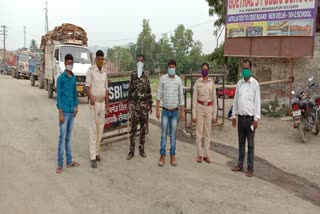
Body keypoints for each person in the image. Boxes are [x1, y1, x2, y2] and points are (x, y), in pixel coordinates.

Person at [231, 59, 261, 177]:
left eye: (247, 68)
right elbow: (235, 100)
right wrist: (233, 115)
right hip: (241, 119)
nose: (245, 70)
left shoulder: (255, 84)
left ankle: (250, 168)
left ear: (251, 69)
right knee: (241, 143)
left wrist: (256, 119)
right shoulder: (239, 84)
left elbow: (257, 101)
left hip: (250, 120)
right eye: (243, 68)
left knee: (251, 144)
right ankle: (239, 164)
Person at [156, 59, 185, 167]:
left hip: (174, 112)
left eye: (173, 67)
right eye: (170, 67)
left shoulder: (178, 80)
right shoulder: (163, 79)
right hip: (165, 111)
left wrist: (182, 111)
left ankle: (172, 155)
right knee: (163, 135)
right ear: (167, 68)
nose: (171, 69)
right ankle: (162, 156)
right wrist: (157, 109)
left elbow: (181, 96)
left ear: (175, 68)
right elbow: (158, 94)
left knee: (173, 135)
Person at [56, 54, 80, 173]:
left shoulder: (73, 78)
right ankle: (60, 164)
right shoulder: (61, 79)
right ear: (65, 63)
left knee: (68, 138)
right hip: (64, 112)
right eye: (68, 62)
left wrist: (76, 107)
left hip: (71, 112)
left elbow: (75, 93)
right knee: (62, 138)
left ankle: (69, 161)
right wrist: (60, 113)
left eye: (72, 62)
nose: (70, 64)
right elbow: (59, 97)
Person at [86, 50, 109, 168]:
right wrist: (90, 97)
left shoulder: (105, 73)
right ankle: (92, 157)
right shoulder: (91, 71)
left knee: (100, 129)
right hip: (94, 104)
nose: (101, 61)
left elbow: (106, 90)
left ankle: (96, 152)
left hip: (102, 103)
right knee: (93, 129)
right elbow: (87, 87)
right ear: (96, 59)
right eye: (99, 59)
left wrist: (108, 104)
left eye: (102, 59)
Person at [127, 54, 153, 160]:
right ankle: (131, 151)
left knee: (143, 129)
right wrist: (128, 103)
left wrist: (150, 104)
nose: (139, 63)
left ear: (143, 62)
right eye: (138, 61)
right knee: (133, 129)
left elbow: (149, 91)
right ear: (136, 62)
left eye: (141, 61)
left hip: (143, 107)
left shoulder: (146, 75)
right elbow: (129, 90)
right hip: (135, 107)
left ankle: (142, 150)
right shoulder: (133, 74)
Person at [192, 63, 217, 164]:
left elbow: (215, 100)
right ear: (201, 70)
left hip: (209, 108)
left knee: (207, 133)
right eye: (203, 69)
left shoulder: (212, 83)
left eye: (206, 69)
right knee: (199, 133)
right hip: (200, 107)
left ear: (208, 71)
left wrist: (214, 115)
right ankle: (199, 155)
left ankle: (206, 155)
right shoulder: (198, 83)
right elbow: (194, 99)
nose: (204, 71)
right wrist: (193, 114)